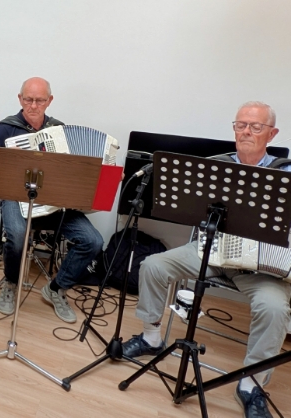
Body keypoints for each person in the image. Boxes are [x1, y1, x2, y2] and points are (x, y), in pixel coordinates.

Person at [122, 102, 291, 418]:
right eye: (241, 125)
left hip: (261, 268)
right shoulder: (216, 167)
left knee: (274, 308)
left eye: (256, 126)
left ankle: (250, 384)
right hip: (212, 252)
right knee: (153, 265)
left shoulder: (286, 173)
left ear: (272, 134)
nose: (246, 132)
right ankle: (151, 337)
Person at [0, 77, 103, 322]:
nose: (33, 105)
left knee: (93, 240)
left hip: (54, 203)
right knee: (17, 234)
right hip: (16, 199)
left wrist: (104, 175)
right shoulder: (5, 129)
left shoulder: (59, 130)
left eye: (40, 100)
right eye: (28, 99)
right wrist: (1, 160)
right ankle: (11, 282)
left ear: (49, 101)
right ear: (20, 99)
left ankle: (56, 288)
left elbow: (74, 174)